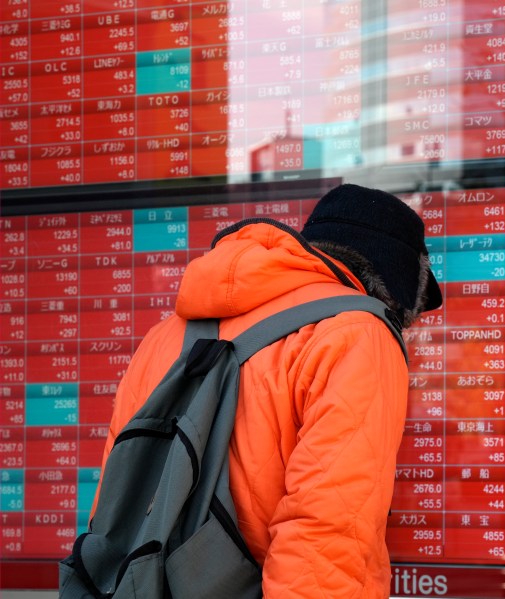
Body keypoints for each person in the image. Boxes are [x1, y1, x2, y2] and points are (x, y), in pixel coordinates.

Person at [96, 183, 442, 597]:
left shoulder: (164, 335)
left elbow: (115, 498)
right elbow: (327, 532)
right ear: (399, 284)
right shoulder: (358, 334)